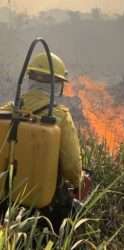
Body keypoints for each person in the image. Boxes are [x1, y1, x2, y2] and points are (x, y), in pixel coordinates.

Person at [0, 52, 88, 228]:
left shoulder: (7, 110)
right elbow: (71, 167)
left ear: (30, 79)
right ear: (57, 84)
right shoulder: (60, 116)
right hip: (45, 207)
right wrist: (80, 180)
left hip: (4, 201)